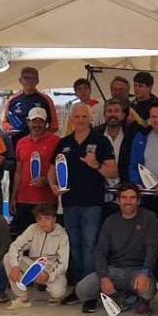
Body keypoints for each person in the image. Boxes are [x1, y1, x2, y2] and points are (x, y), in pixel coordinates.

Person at [51, 103, 117, 287]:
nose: (80, 120)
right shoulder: (64, 143)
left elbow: (113, 172)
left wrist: (95, 164)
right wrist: (52, 185)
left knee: (90, 245)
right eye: (77, 116)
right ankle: (78, 284)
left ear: (90, 119)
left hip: (92, 203)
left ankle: (88, 287)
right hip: (69, 203)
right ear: (71, 119)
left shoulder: (101, 141)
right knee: (73, 244)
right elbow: (51, 170)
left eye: (84, 116)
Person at [76, 184, 158, 316]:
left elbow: (152, 248)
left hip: (138, 270)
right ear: (118, 201)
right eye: (124, 198)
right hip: (113, 270)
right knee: (82, 289)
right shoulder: (110, 221)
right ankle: (120, 296)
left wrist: (145, 273)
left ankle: (134, 299)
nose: (128, 201)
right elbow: (100, 252)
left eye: (132, 198)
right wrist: (104, 277)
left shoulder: (149, 218)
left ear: (138, 201)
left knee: (147, 291)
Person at [4, 203, 70, 308]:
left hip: (50, 268)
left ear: (54, 219)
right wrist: (15, 266)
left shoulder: (62, 235)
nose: (43, 222)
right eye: (40, 219)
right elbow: (15, 246)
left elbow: (63, 263)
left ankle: (54, 296)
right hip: (32, 265)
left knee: (58, 292)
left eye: (47, 219)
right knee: (8, 257)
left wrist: (48, 275)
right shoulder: (33, 229)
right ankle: (22, 297)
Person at [11, 108, 60, 234]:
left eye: (40, 121)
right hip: (24, 199)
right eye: (34, 121)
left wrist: (48, 181)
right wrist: (13, 196)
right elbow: (18, 172)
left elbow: (61, 170)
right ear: (28, 122)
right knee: (24, 238)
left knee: (46, 237)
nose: (37, 125)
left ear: (46, 123)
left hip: (47, 200)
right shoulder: (21, 143)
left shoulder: (56, 142)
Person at [95, 99, 136, 219]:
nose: (113, 114)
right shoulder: (95, 134)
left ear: (123, 114)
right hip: (99, 190)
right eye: (109, 111)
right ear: (104, 114)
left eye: (116, 111)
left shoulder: (132, 134)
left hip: (124, 190)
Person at [1, 66, 59, 146]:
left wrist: (41, 137)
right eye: (26, 78)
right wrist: (9, 129)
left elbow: (54, 126)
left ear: (37, 81)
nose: (29, 81)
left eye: (32, 78)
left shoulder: (46, 100)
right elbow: (4, 122)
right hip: (17, 144)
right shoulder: (12, 100)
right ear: (20, 80)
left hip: (40, 145)